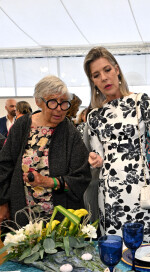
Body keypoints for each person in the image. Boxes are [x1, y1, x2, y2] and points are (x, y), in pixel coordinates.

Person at [83, 46, 150, 243]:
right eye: (96, 75)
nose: (104, 78)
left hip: (140, 191)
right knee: (114, 251)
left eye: (107, 70)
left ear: (117, 70)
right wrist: (95, 159)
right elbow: (99, 156)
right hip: (109, 195)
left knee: (145, 250)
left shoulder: (140, 101)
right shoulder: (94, 116)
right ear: (93, 81)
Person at [0, 75, 91, 228]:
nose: (59, 109)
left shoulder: (70, 131)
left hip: (61, 218)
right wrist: (2, 202)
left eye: (64, 103)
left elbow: (81, 176)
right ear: (38, 101)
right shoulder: (22, 125)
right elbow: (4, 165)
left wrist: (46, 181)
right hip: (24, 215)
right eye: (53, 102)